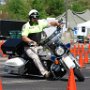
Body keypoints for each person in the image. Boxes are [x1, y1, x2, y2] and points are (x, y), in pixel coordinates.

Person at [21, 9, 62, 79]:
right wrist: (31, 41)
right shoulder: (26, 26)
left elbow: (50, 23)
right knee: (35, 57)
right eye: (34, 17)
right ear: (30, 18)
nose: (35, 18)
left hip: (39, 45)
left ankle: (55, 67)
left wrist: (57, 24)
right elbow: (24, 37)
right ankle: (45, 73)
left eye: (37, 17)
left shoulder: (40, 23)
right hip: (29, 47)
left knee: (49, 53)